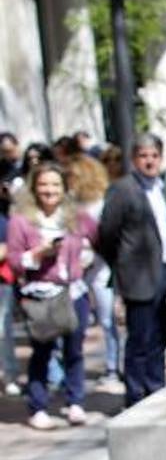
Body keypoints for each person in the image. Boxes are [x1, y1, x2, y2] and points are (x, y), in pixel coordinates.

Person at [5, 162, 97, 429]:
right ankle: (38, 406)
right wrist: (38, 254)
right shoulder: (21, 221)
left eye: (55, 184)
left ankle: (76, 401)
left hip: (74, 292)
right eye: (44, 184)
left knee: (74, 350)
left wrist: (86, 258)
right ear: (34, 188)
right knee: (42, 351)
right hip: (41, 295)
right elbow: (14, 261)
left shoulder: (77, 217)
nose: (50, 190)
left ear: (64, 188)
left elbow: (96, 240)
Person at [98, 134, 166, 407]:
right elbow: (107, 233)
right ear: (134, 159)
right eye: (143, 156)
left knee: (160, 336)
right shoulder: (123, 190)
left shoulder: (164, 188)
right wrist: (123, 264)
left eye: (154, 155)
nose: (149, 161)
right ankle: (135, 395)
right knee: (140, 339)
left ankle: (156, 388)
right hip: (139, 276)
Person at [65, 152, 119, 384]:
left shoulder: (101, 203)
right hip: (74, 270)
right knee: (72, 319)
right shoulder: (68, 204)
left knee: (107, 319)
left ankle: (112, 365)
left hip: (100, 265)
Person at [0, 211, 20, 396]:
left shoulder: (3, 221)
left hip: (2, 284)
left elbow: (5, 249)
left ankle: (9, 376)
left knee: (3, 333)